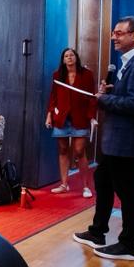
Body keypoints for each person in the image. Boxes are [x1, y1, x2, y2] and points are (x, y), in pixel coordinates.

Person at [74, 16, 134, 262]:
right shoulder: (133, 61)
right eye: (114, 32)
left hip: (128, 141)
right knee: (103, 180)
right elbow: (131, 95)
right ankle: (97, 232)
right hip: (119, 140)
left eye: (119, 33)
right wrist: (113, 93)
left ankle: (129, 245)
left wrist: (104, 99)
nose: (114, 37)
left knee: (128, 191)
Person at [45, 47, 96, 198]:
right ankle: (64, 184)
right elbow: (53, 96)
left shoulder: (87, 74)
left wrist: (91, 116)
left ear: (76, 57)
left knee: (79, 151)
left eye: (71, 55)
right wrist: (49, 115)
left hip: (80, 118)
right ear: (63, 60)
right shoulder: (57, 75)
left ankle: (86, 186)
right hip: (61, 118)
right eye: (66, 56)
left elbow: (92, 97)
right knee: (62, 150)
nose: (69, 57)